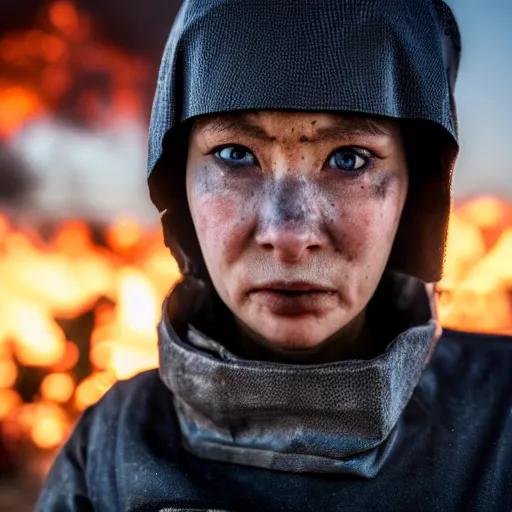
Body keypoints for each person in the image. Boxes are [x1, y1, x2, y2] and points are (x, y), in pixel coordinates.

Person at [36, 0, 512, 511]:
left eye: (348, 158)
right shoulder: (108, 450)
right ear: (179, 182)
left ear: (414, 193)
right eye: (234, 154)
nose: (288, 235)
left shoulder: (501, 428)